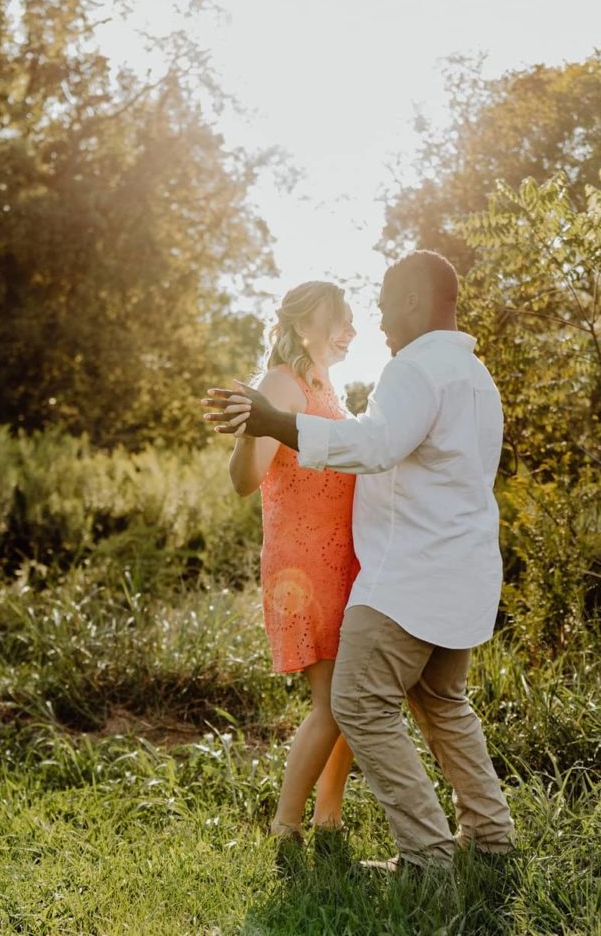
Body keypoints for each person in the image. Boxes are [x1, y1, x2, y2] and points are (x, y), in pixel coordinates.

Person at [203, 250, 515, 872]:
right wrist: (265, 424)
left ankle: (427, 859)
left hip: (407, 578)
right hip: (462, 575)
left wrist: (277, 423)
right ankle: (490, 839)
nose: (376, 325)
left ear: (410, 302)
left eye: (380, 308)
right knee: (443, 704)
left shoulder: (413, 370)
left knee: (358, 704)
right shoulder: (475, 376)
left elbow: (374, 446)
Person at [224, 280, 360, 855]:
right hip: (304, 563)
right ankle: (286, 827)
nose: (350, 329)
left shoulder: (328, 382)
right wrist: (251, 428)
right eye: (340, 318)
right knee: (334, 702)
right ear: (306, 324)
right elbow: (243, 481)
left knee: (354, 699)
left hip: (345, 557)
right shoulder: (280, 381)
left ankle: (329, 819)